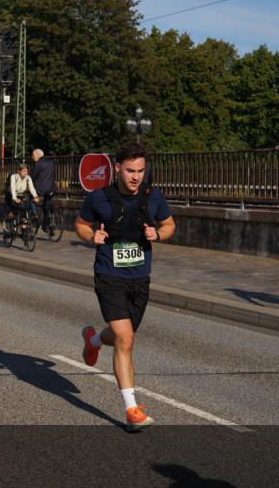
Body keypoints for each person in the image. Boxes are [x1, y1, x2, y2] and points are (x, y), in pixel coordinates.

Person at [75, 142, 175, 432]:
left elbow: (170, 225)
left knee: (123, 337)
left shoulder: (153, 196)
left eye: (141, 171)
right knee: (125, 339)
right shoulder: (99, 198)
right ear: (117, 168)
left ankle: (93, 341)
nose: (136, 177)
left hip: (140, 278)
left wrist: (158, 234)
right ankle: (131, 409)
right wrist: (90, 235)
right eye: (130, 170)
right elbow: (80, 224)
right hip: (109, 275)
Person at [5, 161, 39, 233]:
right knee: (14, 212)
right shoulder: (14, 177)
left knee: (25, 208)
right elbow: (13, 188)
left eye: (26, 171)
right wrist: (15, 198)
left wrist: (35, 196)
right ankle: (8, 222)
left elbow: (31, 188)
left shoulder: (28, 178)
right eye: (23, 171)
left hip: (21, 195)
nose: (25, 173)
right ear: (18, 171)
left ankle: (24, 230)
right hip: (11, 195)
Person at [31, 148, 55, 230]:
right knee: (46, 206)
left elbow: (33, 177)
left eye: (33, 155)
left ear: (38, 155)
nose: (32, 157)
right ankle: (47, 224)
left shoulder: (38, 164)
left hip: (40, 189)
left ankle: (35, 214)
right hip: (51, 189)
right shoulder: (51, 163)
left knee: (30, 198)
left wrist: (29, 184)